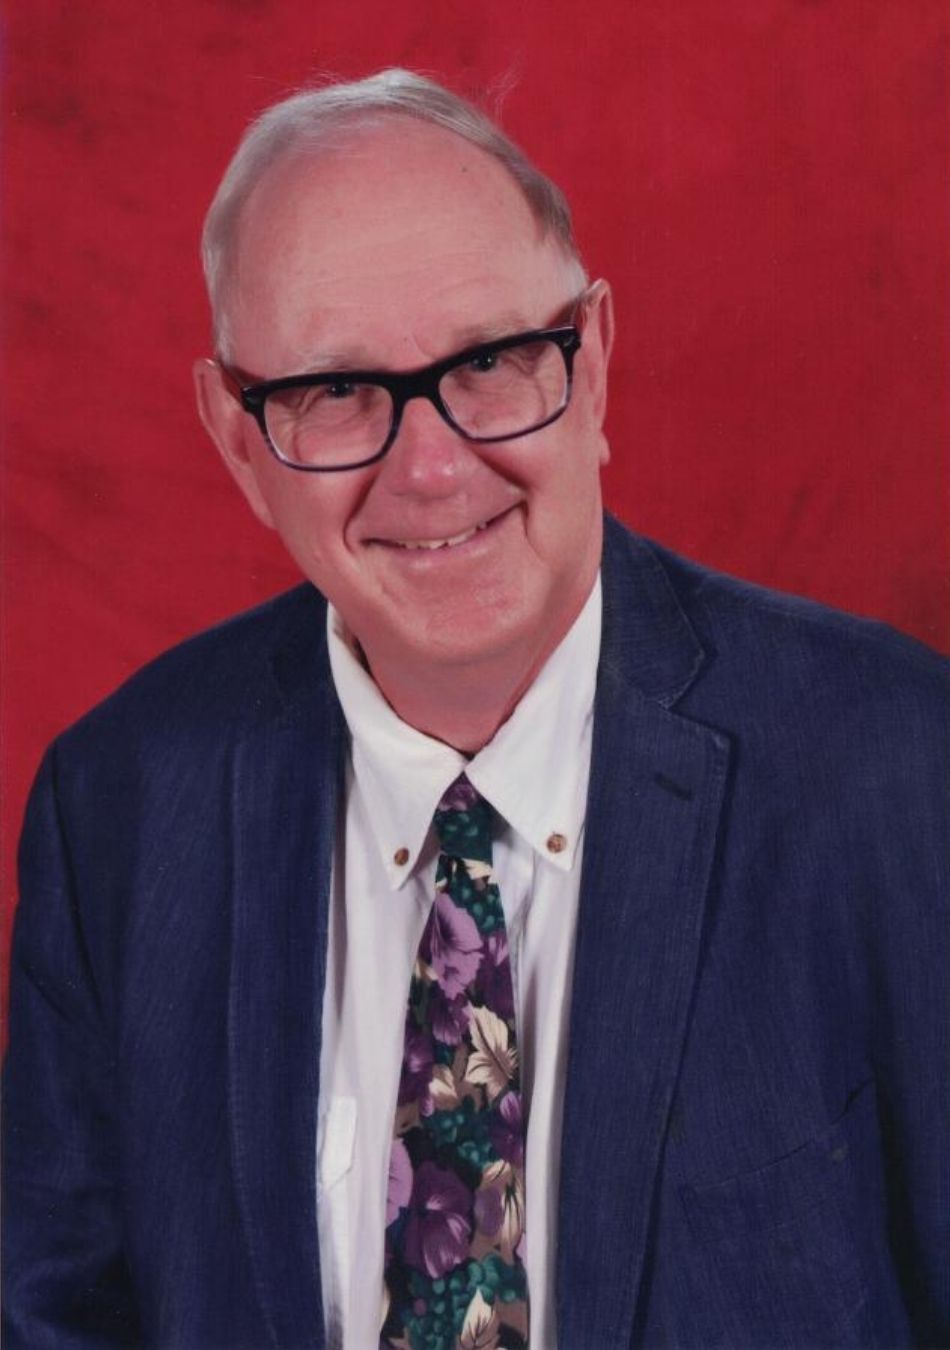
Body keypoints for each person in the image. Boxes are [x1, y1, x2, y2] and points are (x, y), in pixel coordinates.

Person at [3, 68, 949, 1350]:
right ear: (237, 438)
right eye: (336, 390)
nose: (433, 466)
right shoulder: (118, 808)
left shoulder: (895, 768)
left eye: (494, 361)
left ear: (594, 359)